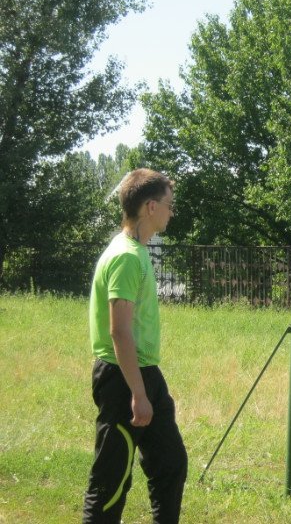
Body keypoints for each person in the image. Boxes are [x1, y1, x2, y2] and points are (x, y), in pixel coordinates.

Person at [83, 169, 187, 524]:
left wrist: (147, 388)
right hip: (122, 379)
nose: (172, 212)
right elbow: (119, 332)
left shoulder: (137, 251)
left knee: (170, 464)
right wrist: (138, 394)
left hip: (145, 373)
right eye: (170, 205)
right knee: (110, 481)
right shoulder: (126, 256)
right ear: (150, 207)